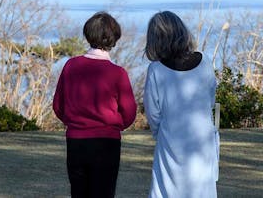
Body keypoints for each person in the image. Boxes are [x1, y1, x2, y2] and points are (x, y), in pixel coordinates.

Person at [53, 11, 137, 198]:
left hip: (76, 141)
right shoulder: (117, 73)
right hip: (107, 142)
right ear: (113, 38)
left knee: (79, 193)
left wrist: (73, 122)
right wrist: (114, 125)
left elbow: (58, 104)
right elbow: (129, 112)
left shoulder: (71, 66)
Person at [143, 11, 220, 198]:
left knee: (167, 188)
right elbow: (211, 98)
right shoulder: (205, 61)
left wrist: (160, 132)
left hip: (170, 137)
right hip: (203, 136)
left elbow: (152, 112)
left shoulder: (156, 70)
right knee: (202, 188)